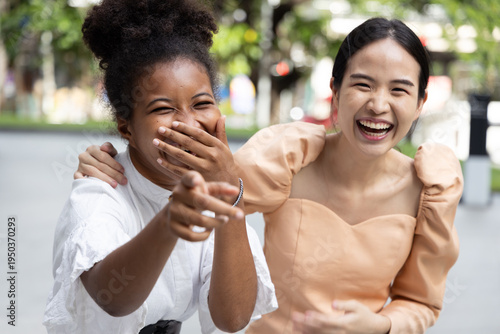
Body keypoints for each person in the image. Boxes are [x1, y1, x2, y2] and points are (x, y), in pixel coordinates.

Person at [76, 17, 463, 333]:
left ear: (420, 103)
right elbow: (205, 182)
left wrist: (379, 325)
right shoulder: (290, 158)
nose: (378, 105)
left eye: (400, 90)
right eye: (362, 84)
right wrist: (117, 161)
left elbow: (422, 303)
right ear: (336, 90)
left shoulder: (429, 191)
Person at [43, 1, 277, 333]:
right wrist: (170, 221)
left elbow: (232, 318)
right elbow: (114, 299)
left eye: (202, 103)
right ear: (127, 129)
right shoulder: (100, 188)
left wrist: (229, 199)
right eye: (163, 108)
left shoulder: (215, 194)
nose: (188, 124)